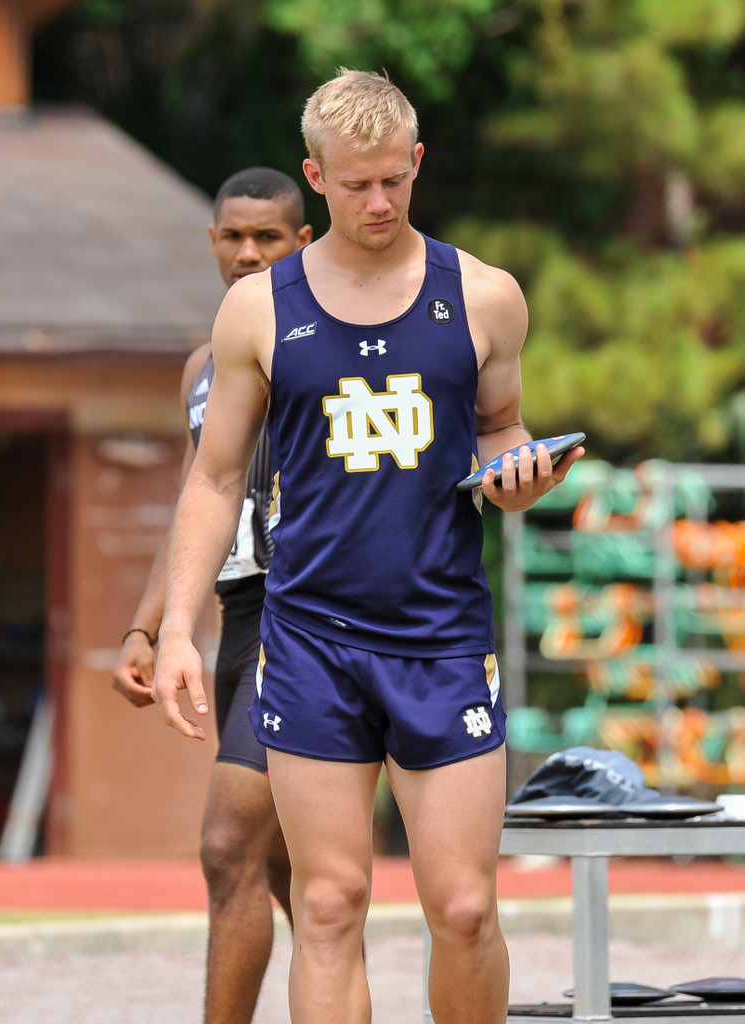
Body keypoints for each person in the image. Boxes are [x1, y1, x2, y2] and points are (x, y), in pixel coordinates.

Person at [152, 69, 585, 1024]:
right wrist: (177, 627)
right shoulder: (259, 309)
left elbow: (501, 428)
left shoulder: (485, 296)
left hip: (440, 635)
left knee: (464, 909)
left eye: (395, 179)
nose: (379, 202)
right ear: (316, 177)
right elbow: (214, 480)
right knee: (329, 902)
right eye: (355, 185)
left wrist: (519, 474)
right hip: (310, 638)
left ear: (416, 161)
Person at [112, 166, 312, 1024]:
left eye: (267, 237)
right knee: (287, 871)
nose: (247, 253)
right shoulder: (204, 364)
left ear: (302, 242)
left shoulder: (321, 339)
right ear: (212, 242)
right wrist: (146, 628)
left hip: (300, 619)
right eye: (233, 236)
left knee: (229, 849)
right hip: (234, 621)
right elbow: (198, 500)